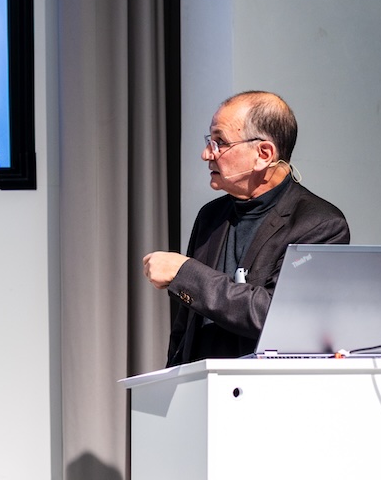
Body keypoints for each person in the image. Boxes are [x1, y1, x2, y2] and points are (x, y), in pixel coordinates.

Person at [143, 91, 349, 366]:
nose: (206, 154)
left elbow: (277, 314)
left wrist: (185, 273)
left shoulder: (320, 224)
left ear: (263, 154)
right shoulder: (211, 216)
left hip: (266, 386)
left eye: (220, 142)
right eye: (209, 141)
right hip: (201, 385)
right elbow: (186, 326)